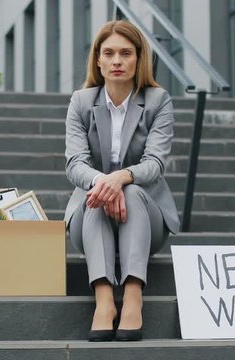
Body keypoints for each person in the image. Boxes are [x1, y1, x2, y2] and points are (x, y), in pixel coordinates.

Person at [64, 20, 180, 342]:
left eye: (126, 53)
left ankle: (132, 296)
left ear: (138, 59)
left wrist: (121, 178)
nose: (117, 61)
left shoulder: (158, 101)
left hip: (147, 218)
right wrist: (105, 183)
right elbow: (75, 164)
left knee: (128, 191)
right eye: (109, 53)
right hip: (90, 217)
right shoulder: (81, 102)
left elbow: (155, 164)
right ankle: (104, 299)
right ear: (98, 61)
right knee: (98, 195)